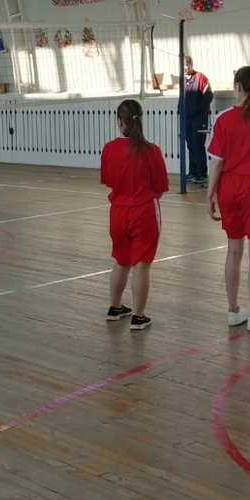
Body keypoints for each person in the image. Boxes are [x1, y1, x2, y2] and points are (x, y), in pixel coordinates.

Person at [205, 65, 250, 332]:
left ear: (238, 87)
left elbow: (217, 162)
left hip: (229, 187)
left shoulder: (223, 119)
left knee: (233, 250)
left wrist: (210, 194)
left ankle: (234, 310)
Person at [101, 99, 169, 329]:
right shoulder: (152, 151)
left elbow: (108, 181)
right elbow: (160, 187)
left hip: (117, 213)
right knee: (142, 264)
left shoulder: (109, 149)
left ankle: (115, 307)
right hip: (143, 212)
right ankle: (138, 316)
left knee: (121, 261)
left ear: (120, 122)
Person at [181, 56, 213, 184]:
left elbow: (209, 95)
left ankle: (201, 173)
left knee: (198, 144)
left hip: (199, 118)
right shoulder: (183, 80)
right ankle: (192, 171)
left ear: (191, 64)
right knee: (190, 144)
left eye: (186, 65)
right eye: (182, 66)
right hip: (187, 118)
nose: (184, 68)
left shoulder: (200, 77)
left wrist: (197, 109)